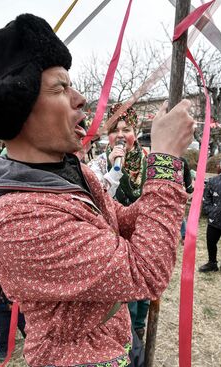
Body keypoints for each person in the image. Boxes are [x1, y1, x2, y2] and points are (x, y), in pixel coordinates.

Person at [0, 14, 195, 367]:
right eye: (59, 88)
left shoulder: (70, 169)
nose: (80, 99)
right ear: (17, 111)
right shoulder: (18, 219)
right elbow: (145, 273)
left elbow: (120, 222)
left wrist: (166, 183)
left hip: (117, 339)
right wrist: (164, 162)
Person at [88, 103, 150, 346]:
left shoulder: (148, 161)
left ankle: (140, 331)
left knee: (145, 290)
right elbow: (94, 200)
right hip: (112, 237)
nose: (121, 135)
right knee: (125, 289)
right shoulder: (97, 165)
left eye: (127, 129)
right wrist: (114, 168)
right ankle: (128, 340)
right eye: (116, 130)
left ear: (136, 131)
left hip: (143, 234)